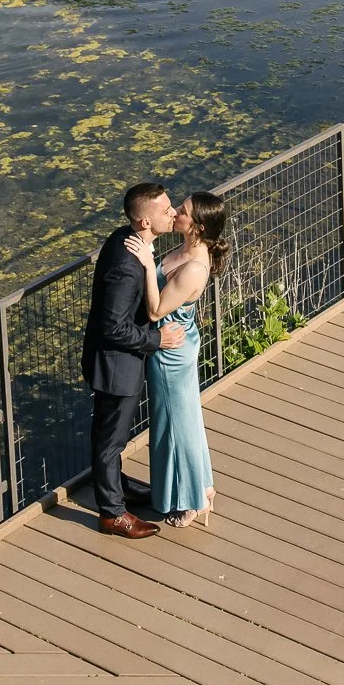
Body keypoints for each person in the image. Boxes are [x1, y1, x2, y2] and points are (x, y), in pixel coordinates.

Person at [80, 182, 186, 538]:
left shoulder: (124, 238)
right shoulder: (127, 265)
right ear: (145, 222)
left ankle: (118, 487)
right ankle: (112, 514)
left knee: (109, 434)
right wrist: (157, 339)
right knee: (111, 440)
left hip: (114, 361)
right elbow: (113, 327)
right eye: (166, 210)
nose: (173, 213)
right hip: (116, 366)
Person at [126, 190, 229, 527]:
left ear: (197, 227)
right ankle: (203, 487)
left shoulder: (195, 267)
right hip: (172, 344)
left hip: (171, 352)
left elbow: (156, 311)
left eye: (182, 211)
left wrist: (146, 263)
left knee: (175, 424)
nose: (174, 213)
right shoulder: (186, 249)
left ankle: (191, 501)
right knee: (183, 420)